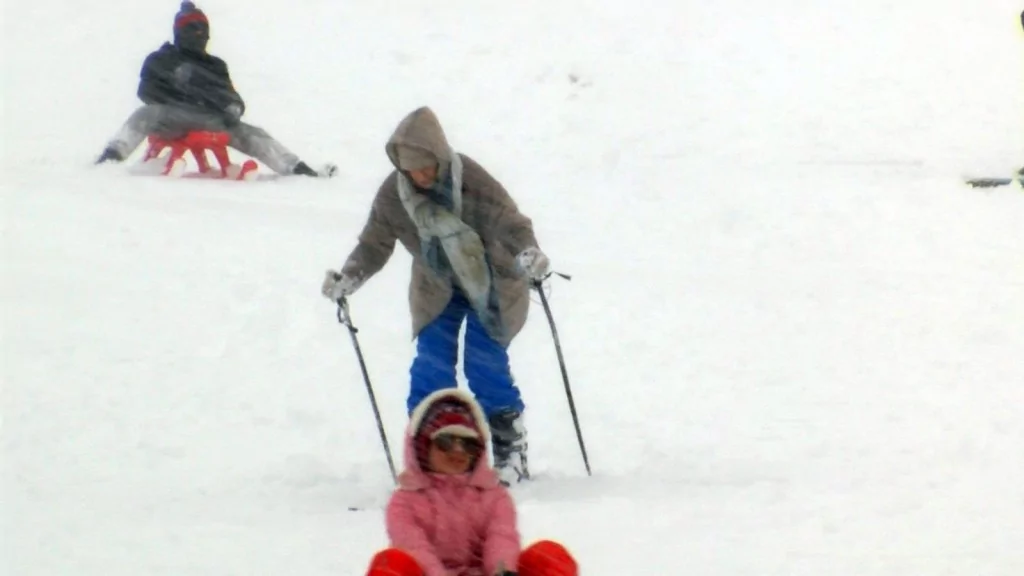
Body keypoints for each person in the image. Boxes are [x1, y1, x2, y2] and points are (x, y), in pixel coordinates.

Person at [321, 106, 551, 485]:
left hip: (491, 282)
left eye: (427, 166)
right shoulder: (394, 195)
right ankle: (426, 453)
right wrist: (349, 277)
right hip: (438, 287)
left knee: (484, 363)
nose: (420, 176)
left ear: (441, 157)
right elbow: (374, 244)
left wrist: (528, 252)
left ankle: (511, 449)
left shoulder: (471, 180)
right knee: (431, 365)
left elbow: (511, 223)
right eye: (410, 168)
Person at [94, 2, 329, 177]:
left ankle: (297, 169)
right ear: (179, 33)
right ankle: (112, 156)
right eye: (192, 29)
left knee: (253, 133)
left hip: (212, 119)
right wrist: (180, 93)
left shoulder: (215, 65)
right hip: (173, 116)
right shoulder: (162, 59)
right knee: (144, 115)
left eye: (202, 29)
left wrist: (233, 107)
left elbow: (232, 97)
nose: (199, 35)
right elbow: (145, 91)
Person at [365, 389, 578, 576]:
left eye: (468, 444)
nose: (458, 451)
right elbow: (414, 548)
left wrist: (502, 571)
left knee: (548, 556)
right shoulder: (404, 501)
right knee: (391, 563)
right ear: (423, 445)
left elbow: (501, 537)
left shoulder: (494, 495)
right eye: (445, 442)